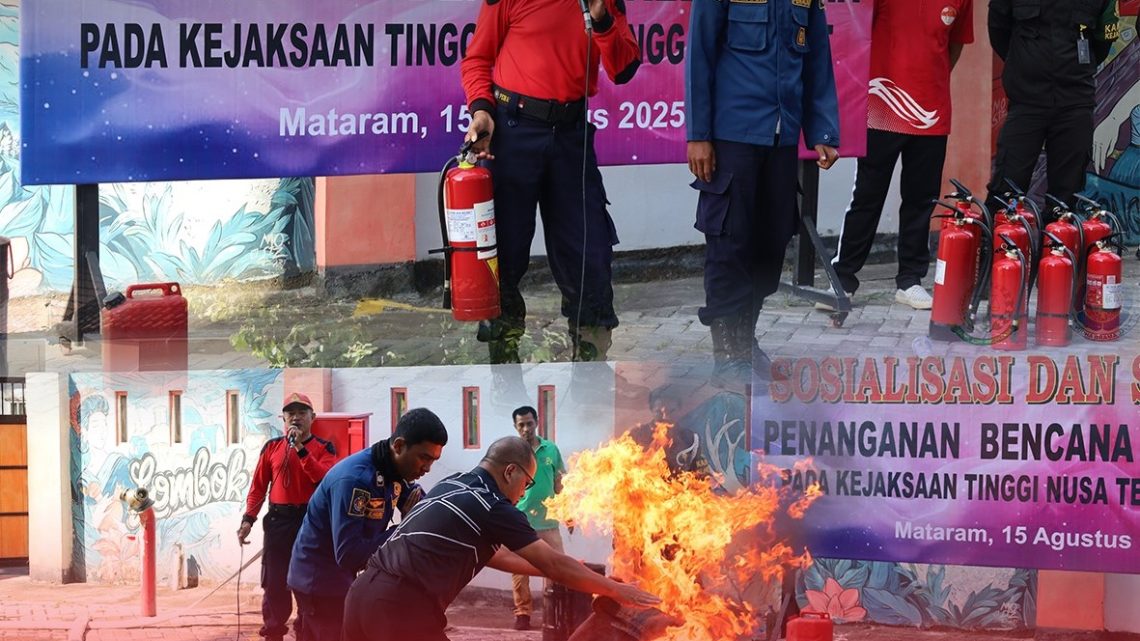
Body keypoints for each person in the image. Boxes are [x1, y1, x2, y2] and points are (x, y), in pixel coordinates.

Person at [460, 0, 641, 364]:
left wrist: (601, 17)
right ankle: (504, 363)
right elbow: (476, 60)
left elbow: (623, 68)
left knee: (588, 251)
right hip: (513, 132)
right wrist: (482, 112)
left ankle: (590, 363)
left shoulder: (603, 3)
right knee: (505, 254)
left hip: (572, 136)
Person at [342, 437, 661, 641]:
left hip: (361, 595)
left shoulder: (454, 484)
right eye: (527, 482)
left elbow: (495, 556)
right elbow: (551, 562)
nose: (524, 492)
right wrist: (618, 590)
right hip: (401, 607)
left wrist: (568, 567)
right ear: (511, 471)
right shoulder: (493, 506)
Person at [685, 0, 840, 386]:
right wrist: (699, 134)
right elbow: (699, 55)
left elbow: (817, 57)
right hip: (732, 135)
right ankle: (727, 354)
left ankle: (744, 340)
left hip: (782, 138)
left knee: (770, 247)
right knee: (729, 248)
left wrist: (822, 130)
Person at [825, 0, 974, 312]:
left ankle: (910, 281)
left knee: (922, 199)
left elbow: (954, 46)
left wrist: (930, 81)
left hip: (931, 112)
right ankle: (843, 278)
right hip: (882, 104)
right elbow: (855, 27)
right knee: (868, 194)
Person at [285, 408, 448, 641]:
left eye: (433, 460)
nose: (427, 468)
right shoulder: (355, 480)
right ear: (399, 446)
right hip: (320, 583)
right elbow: (349, 554)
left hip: (343, 581)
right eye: (424, 457)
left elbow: (423, 510)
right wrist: (405, 527)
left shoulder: (394, 469)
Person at [986, 0, 1120, 214]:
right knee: (1007, 188)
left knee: (1066, 198)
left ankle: (1057, 246)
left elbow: (1103, 40)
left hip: (1075, 101)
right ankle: (996, 245)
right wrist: (1025, 65)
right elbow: (998, 30)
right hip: (1026, 101)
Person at [237, 392, 337, 641]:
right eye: (290, 413)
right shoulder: (272, 447)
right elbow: (258, 487)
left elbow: (322, 478)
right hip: (279, 522)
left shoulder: (325, 448)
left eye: (302, 413)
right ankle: (273, 632)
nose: (296, 418)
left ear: (312, 417)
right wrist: (248, 519)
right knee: (275, 581)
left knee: (308, 582)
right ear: (283, 418)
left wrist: (301, 450)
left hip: (310, 523)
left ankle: (306, 632)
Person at [508, 406, 567, 630]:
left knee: (557, 568)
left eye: (529, 423)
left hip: (549, 521)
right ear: (515, 427)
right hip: (520, 521)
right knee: (520, 570)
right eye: (521, 425)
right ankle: (522, 613)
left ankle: (556, 611)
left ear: (537, 422)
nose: (526, 429)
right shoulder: (512, 453)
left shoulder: (551, 449)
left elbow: (560, 482)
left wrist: (567, 512)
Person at [627, 385, 707, 476]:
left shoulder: (691, 438)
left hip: (680, 488)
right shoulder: (636, 435)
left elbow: (703, 471)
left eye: (671, 411)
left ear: (679, 410)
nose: (665, 417)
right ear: (651, 410)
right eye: (659, 412)